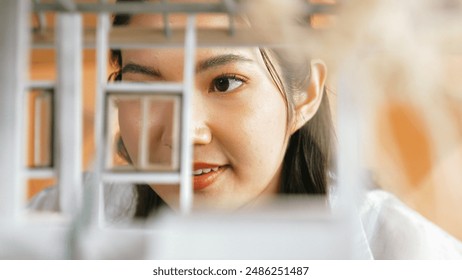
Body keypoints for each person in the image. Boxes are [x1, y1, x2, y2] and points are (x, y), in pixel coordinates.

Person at [29, 0, 462, 259]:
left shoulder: (402, 252)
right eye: (146, 89)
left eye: (224, 83)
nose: (185, 134)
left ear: (306, 94)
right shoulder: (59, 220)